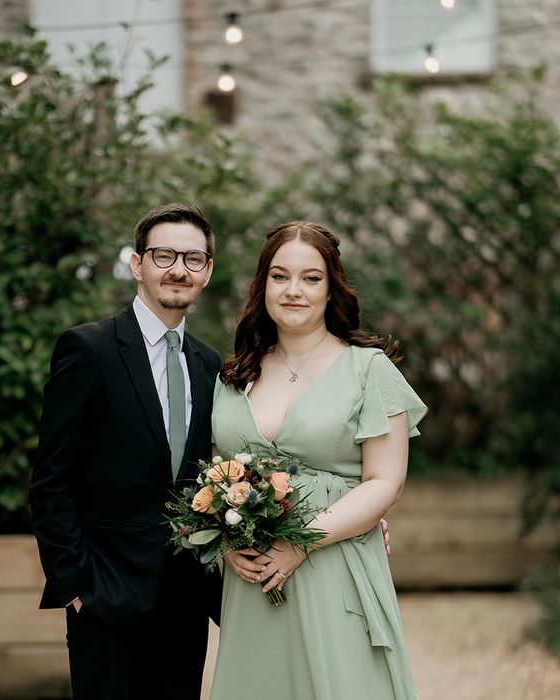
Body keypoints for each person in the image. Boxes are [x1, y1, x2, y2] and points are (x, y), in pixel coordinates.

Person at [210, 221, 427, 700]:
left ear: (332, 289)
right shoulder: (232, 374)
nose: (294, 290)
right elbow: (216, 474)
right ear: (262, 284)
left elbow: (384, 482)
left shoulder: (369, 369)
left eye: (311, 278)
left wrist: (300, 544)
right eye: (280, 276)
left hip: (333, 564)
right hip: (252, 580)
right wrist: (225, 542)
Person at [29, 203, 222, 700]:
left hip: (185, 598)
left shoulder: (210, 364)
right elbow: (52, 478)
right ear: (137, 265)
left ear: (207, 272)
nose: (178, 269)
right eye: (164, 255)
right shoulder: (87, 349)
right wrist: (74, 584)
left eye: (193, 259)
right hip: (104, 592)